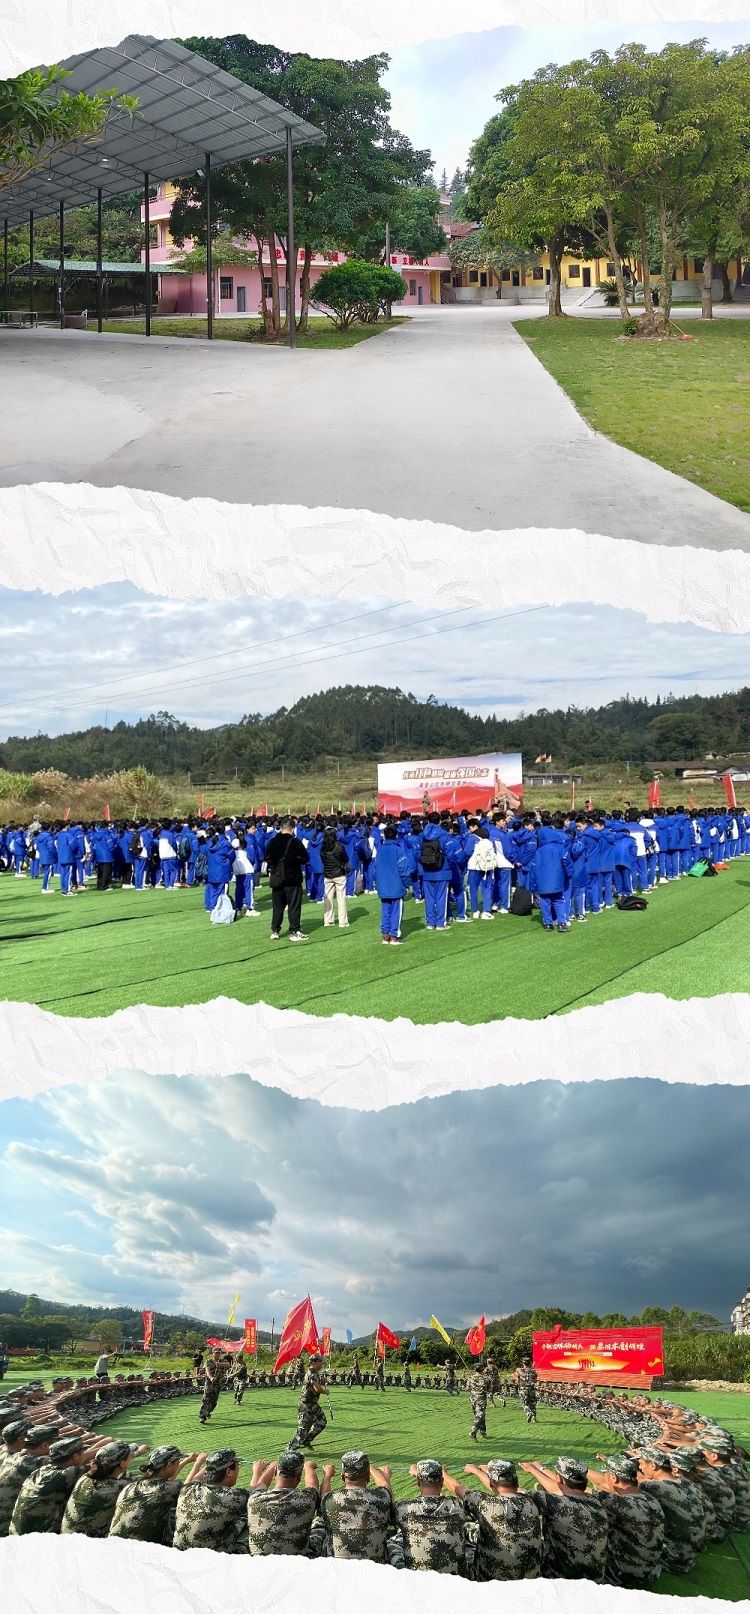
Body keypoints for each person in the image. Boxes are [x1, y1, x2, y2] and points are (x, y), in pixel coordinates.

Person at [521, 1457, 608, 1581]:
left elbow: (512, 1492)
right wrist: (536, 1470)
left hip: (562, 1580)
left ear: (559, 1478)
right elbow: (559, 1490)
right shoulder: (598, 1499)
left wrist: (533, 1470)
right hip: (596, 1579)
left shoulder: (553, 1502)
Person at [587, 1454, 664, 1587]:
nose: (604, 1477)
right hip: (651, 1570)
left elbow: (576, 1495)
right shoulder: (650, 1498)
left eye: (605, 1474)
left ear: (613, 1477)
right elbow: (607, 1487)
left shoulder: (613, 1502)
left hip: (624, 1575)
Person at [10, 1434, 110, 1535]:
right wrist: (107, 1447)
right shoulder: (66, 1475)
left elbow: (80, 1460)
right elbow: (96, 1466)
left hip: (16, 1534)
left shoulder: (41, 1470)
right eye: (81, 1453)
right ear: (75, 1456)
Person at [462, 1458, 543, 1581]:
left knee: (468, 1535)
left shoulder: (485, 1503)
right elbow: (503, 1489)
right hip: (529, 1581)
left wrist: (474, 1470)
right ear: (516, 1481)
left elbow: (459, 1489)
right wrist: (483, 1473)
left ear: (491, 1483)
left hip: (490, 1581)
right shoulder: (533, 1501)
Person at [109, 1445, 205, 1543]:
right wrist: (204, 1465)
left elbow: (165, 1482)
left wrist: (186, 1461)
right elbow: (191, 1485)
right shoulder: (172, 1488)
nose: (178, 1464)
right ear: (169, 1465)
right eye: (177, 1462)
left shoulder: (131, 1486)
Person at [393, 1459, 467, 1574]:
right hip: (454, 1578)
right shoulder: (456, 1506)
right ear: (442, 1481)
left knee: (395, 1541)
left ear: (418, 1481)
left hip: (418, 1578)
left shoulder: (404, 1508)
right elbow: (461, 1491)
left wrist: (419, 1475)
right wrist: (444, 1474)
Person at [319, 1450, 396, 1561]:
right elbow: (384, 1485)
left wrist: (327, 1475)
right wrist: (372, 1469)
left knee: (319, 1525)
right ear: (368, 1476)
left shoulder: (329, 1501)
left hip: (338, 1566)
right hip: (375, 1566)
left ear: (343, 1475)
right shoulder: (381, 1498)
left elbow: (324, 1494)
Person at [61, 1440, 148, 1537]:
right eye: (130, 1457)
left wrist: (135, 1454)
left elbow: (114, 1466)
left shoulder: (85, 1478)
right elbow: (148, 1481)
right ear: (122, 1463)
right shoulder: (119, 1486)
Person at [246, 1449, 320, 1555]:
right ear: (299, 1477)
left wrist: (272, 1466)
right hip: (297, 1562)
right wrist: (308, 1467)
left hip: (259, 1563)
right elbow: (312, 1484)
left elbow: (261, 1484)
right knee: (320, 1526)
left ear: (275, 1472)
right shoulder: (308, 1500)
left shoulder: (255, 1499)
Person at [172, 1448, 248, 1552]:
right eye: (238, 1465)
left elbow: (195, 1479)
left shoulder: (187, 1489)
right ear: (229, 1472)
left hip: (179, 1554)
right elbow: (257, 1494)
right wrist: (258, 1471)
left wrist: (208, 1464)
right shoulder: (234, 1497)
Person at [266, 817, 309, 941]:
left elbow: (267, 858)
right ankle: (294, 931)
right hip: (292, 878)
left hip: (277, 877)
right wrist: (294, 860)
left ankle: (275, 930)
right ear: (292, 829)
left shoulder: (272, 842)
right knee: (294, 906)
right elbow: (305, 858)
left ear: (281, 828)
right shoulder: (296, 843)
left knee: (277, 907)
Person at [374, 823, 411, 945]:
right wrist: (407, 884)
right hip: (396, 885)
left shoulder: (380, 850)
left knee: (385, 911)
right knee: (396, 911)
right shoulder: (398, 850)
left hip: (383, 886)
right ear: (396, 836)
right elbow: (404, 870)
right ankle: (394, 936)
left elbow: (375, 869)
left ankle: (385, 936)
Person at [290, 1356, 327, 1450]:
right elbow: (317, 1388)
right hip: (306, 1405)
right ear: (314, 1363)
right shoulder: (312, 1373)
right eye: (320, 1362)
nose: (321, 1364)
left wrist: (322, 1381)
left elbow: (315, 1383)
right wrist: (325, 1391)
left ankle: (307, 1440)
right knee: (303, 1429)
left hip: (313, 1404)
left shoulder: (315, 1373)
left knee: (322, 1421)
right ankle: (290, 1449)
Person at [321, 824, 350, 928]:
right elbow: (346, 859)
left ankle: (328, 920)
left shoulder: (323, 847)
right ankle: (343, 922)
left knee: (328, 898)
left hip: (328, 874)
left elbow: (323, 860)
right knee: (341, 898)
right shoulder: (339, 846)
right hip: (339, 874)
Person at [199, 1349, 223, 1425]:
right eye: (216, 1353)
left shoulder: (222, 1361)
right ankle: (203, 1416)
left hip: (218, 1384)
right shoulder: (209, 1361)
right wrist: (211, 1377)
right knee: (206, 1399)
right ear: (213, 1353)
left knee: (214, 1401)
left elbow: (229, 1365)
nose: (217, 1354)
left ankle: (208, 1411)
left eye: (219, 1353)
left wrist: (220, 1364)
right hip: (209, 1383)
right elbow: (207, 1370)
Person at [468, 1363, 488, 1441]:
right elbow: (489, 1389)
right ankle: (473, 1431)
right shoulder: (486, 1378)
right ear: (482, 1369)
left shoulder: (471, 1378)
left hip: (472, 1398)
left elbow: (467, 1388)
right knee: (480, 1415)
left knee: (479, 1415)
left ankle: (483, 1431)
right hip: (481, 1398)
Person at [516, 1357, 538, 1423]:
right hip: (531, 1389)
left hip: (523, 1389)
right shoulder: (533, 1372)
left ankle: (529, 1413)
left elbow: (517, 1381)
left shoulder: (520, 1371)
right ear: (530, 1363)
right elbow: (535, 1381)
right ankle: (534, 1419)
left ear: (523, 1363)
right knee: (533, 1404)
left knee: (524, 1404)